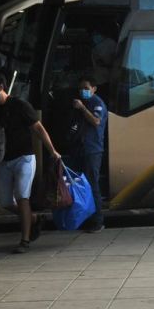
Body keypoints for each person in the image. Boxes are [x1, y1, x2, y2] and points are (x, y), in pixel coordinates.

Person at [0, 72, 62, 254]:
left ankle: (25, 240)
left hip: (24, 157)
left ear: (0, 88)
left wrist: (52, 150)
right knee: (6, 202)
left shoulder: (20, 106)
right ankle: (32, 219)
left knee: (22, 196)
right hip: (3, 161)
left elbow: (38, 128)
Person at [67, 76, 107, 233]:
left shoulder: (97, 103)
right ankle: (85, 218)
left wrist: (82, 108)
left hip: (92, 150)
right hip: (79, 149)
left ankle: (98, 220)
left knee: (92, 184)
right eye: (80, 89)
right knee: (80, 185)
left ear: (94, 89)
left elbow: (96, 121)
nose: (82, 91)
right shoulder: (81, 104)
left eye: (86, 88)